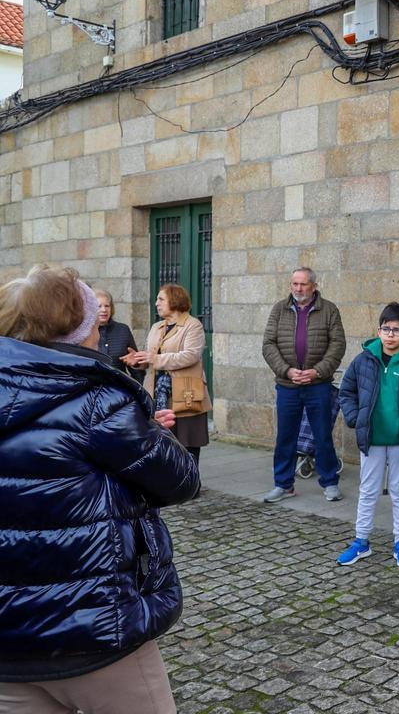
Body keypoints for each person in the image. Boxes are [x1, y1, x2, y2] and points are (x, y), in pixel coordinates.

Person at [0, 265, 198, 713]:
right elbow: (181, 480)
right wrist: (153, 434)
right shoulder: (97, 401)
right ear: (77, 329)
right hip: (95, 628)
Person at [336, 303, 399, 568]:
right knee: (368, 490)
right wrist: (355, 418)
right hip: (373, 439)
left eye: (397, 330)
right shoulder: (363, 360)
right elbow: (346, 392)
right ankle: (361, 541)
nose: (390, 334)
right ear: (378, 331)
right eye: (386, 329)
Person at [262, 267, 347, 503]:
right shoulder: (279, 309)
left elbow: (337, 345)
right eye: (294, 284)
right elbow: (268, 344)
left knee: (322, 435)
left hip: (317, 384)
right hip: (287, 385)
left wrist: (317, 371)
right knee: (285, 436)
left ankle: (330, 482)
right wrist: (287, 371)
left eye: (303, 284)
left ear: (314, 286)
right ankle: (283, 484)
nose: (298, 289)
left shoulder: (329, 310)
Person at [125, 284, 212, 470]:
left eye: (161, 299)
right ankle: (169, 481)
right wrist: (138, 361)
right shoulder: (157, 327)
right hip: (158, 392)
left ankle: (190, 479)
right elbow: (151, 358)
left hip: (185, 392)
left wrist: (154, 358)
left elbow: (190, 355)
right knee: (162, 439)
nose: (156, 303)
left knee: (188, 440)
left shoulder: (192, 325)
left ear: (175, 300)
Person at [94, 289, 145, 384]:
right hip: (93, 390)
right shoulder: (86, 332)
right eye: (99, 306)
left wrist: (138, 391)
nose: (104, 310)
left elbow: (135, 367)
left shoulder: (123, 330)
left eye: (107, 306)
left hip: (119, 390)